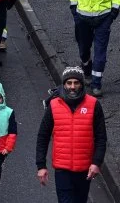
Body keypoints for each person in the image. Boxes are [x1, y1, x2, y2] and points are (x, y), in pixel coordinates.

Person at [36, 66, 106, 203]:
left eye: (76, 82)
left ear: (81, 84)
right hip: (62, 171)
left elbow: (101, 137)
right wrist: (41, 166)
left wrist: (96, 162)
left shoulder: (93, 104)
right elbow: (43, 136)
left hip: (84, 170)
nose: (72, 87)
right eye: (69, 83)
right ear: (64, 85)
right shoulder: (53, 105)